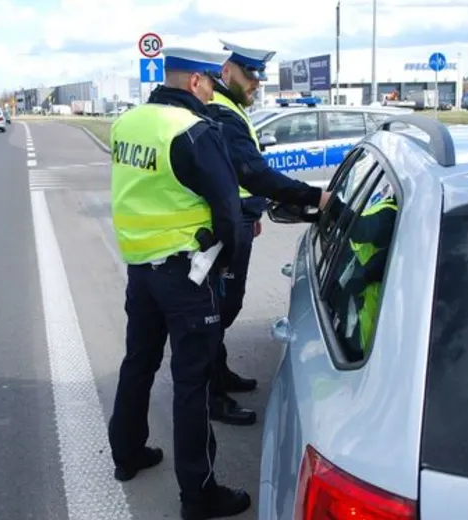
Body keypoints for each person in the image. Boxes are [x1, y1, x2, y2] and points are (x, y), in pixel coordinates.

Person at [107, 46, 252, 520]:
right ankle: (200, 494)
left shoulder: (126, 123)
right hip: (186, 274)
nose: (212, 93)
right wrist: (226, 262)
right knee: (192, 383)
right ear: (195, 82)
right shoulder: (193, 131)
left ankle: (127, 455)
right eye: (210, 84)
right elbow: (229, 208)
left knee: (139, 363)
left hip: (140, 270)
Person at [204, 40, 332, 426]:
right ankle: (210, 394)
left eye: (259, 76)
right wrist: (312, 195)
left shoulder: (229, 109)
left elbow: (236, 176)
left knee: (225, 303)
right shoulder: (222, 113)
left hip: (238, 217)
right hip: (226, 226)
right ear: (226, 72)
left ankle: (219, 373)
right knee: (219, 308)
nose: (256, 83)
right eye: (249, 74)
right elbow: (252, 173)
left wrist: (252, 208)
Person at [327, 180, 397, 361]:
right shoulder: (395, 207)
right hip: (367, 298)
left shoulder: (390, 214)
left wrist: (329, 203)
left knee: (356, 359)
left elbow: (360, 230)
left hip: (368, 306)